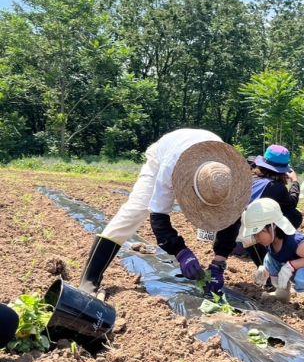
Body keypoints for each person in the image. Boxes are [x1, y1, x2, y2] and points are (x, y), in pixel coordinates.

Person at [78, 128, 251, 298]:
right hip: (163, 155)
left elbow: (231, 220)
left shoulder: (227, 177)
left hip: (208, 157)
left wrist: (219, 263)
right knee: (136, 210)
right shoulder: (170, 168)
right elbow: (158, 216)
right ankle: (90, 278)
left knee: (228, 212)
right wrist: (180, 251)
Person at [239, 198, 304, 320]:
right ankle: (282, 293)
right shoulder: (272, 243)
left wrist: (290, 265)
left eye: (257, 233)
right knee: (270, 259)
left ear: (272, 227)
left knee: (303, 274)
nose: (256, 237)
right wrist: (265, 270)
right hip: (299, 271)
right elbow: (272, 260)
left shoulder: (295, 242)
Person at [241, 145, 302, 268]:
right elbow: (291, 203)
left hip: (238, 226)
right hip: (251, 232)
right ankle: (275, 250)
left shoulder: (251, 178)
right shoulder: (276, 187)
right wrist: (295, 182)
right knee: (294, 215)